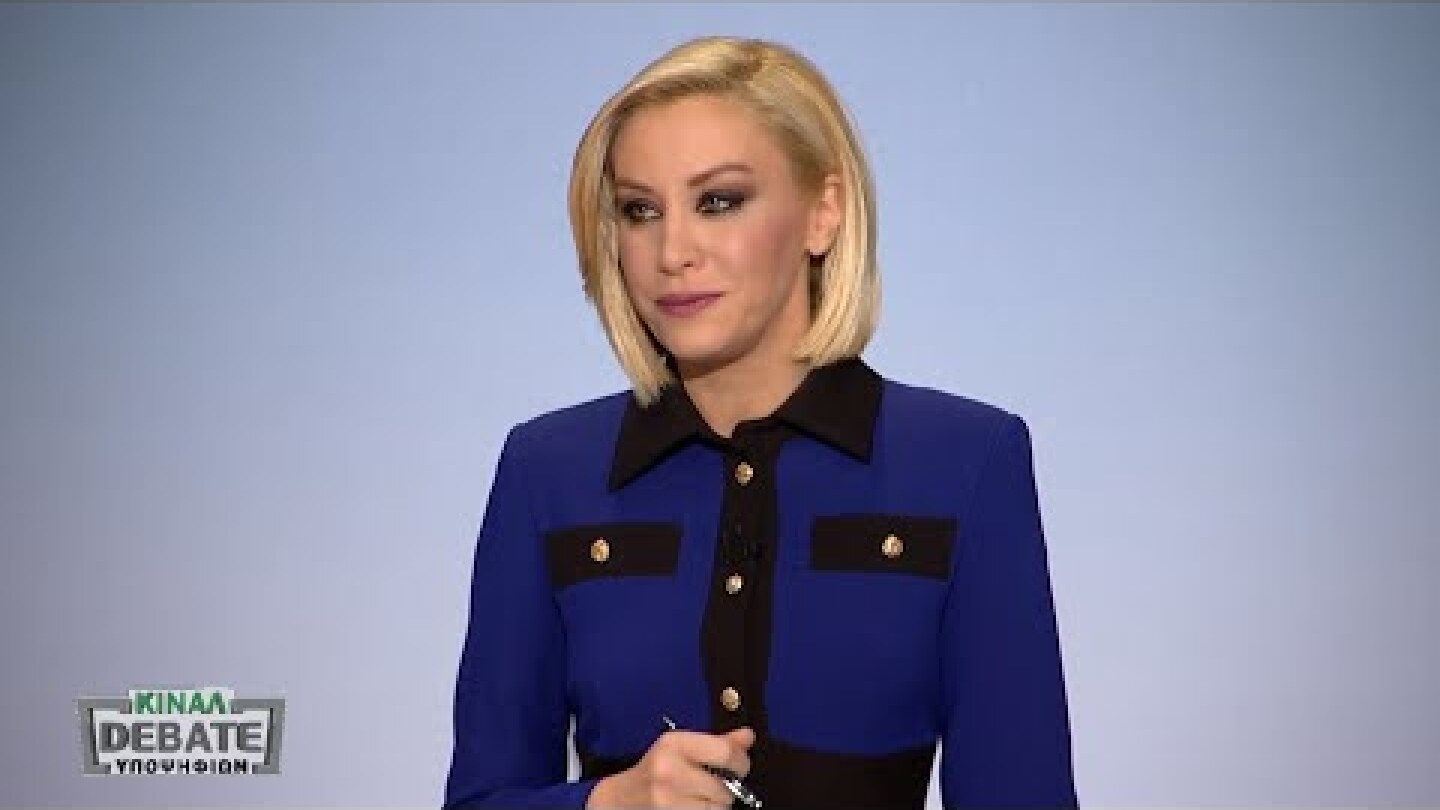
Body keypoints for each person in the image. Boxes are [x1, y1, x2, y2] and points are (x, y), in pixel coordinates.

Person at [443, 35, 1077, 810]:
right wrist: (608, 803)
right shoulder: (545, 471)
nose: (672, 251)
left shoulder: (968, 462)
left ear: (824, 213)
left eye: (718, 201)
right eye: (640, 210)